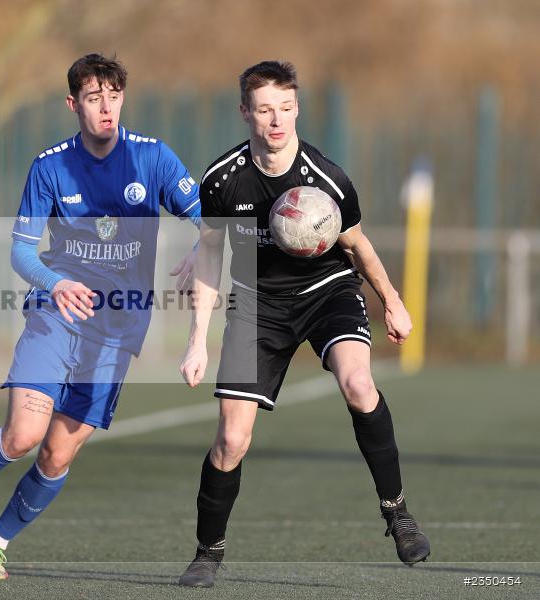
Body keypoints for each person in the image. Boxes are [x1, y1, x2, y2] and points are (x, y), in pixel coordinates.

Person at [0, 53, 201, 581]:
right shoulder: (50, 166)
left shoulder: (153, 159)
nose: (105, 107)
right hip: (56, 315)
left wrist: (204, 245)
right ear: (73, 104)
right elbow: (20, 251)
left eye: (113, 96)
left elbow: (208, 221)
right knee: (21, 435)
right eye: (93, 98)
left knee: (57, 454)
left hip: (118, 330)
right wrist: (56, 283)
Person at [176, 60, 430, 588]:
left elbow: (357, 246)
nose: (277, 121)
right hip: (256, 302)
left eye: (286, 108)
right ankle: (208, 550)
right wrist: (197, 339)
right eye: (265, 109)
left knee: (360, 385)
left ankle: (398, 513)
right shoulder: (223, 179)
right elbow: (209, 252)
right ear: (244, 111)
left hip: (326, 291)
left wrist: (393, 302)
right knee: (231, 440)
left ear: (298, 108)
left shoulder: (327, 178)